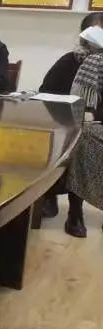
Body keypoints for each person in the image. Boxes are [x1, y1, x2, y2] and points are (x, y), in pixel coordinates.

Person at [62, 30, 103, 238]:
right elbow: (48, 89)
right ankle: (75, 213)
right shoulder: (74, 61)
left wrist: (93, 115)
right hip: (81, 123)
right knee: (84, 137)